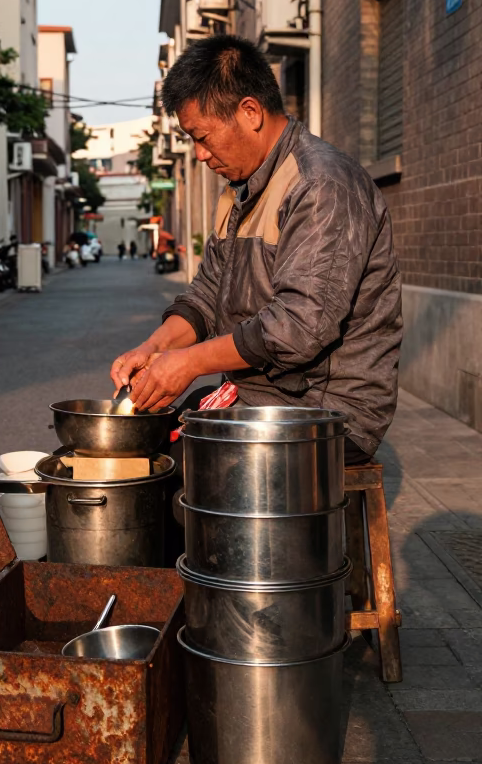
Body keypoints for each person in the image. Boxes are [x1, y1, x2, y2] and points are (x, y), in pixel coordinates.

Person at [110, 35, 402, 464]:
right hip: (256, 397)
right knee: (143, 449)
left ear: (249, 112)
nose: (200, 154)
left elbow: (299, 328)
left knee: (165, 480)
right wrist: (155, 349)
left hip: (326, 412)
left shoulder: (321, 185)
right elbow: (207, 293)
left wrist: (189, 363)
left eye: (204, 137)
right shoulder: (239, 190)